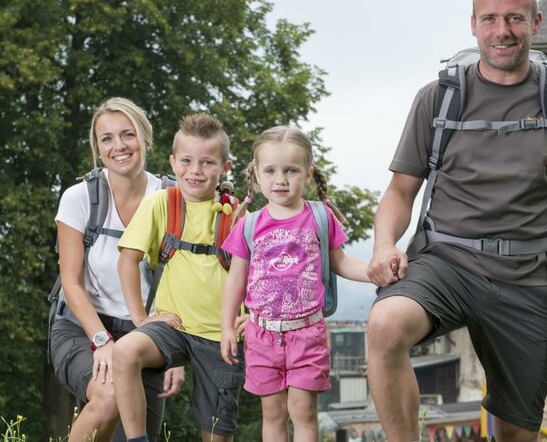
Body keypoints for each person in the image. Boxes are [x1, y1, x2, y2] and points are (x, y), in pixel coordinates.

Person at [366, 0, 547, 441]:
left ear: (536, 22)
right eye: (491, 19)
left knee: (515, 435)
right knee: (384, 324)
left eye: (515, 18)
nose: (503, 31)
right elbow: (400, 191)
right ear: (474, 24)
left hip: (525, 276)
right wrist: (383, 245)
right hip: (447, 263)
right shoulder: (439, 99)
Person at [218, 126, 372, 442]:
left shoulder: (320, 216)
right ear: (256, 175)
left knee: (303, 413)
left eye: (291, 170)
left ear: (307, 173)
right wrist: (225, 329)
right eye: (271, 171)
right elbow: (236, 280)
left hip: (308, 332)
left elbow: (341, 262)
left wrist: (375, 272)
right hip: (261, 334)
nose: (281, 179)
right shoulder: (249, 224)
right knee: (273, 415)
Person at [50, 97, 183, 442]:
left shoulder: (174, 199)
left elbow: (186, 282)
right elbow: (71, 283)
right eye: (107, 139)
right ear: (97, 148)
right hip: (82, 328)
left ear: (145, 138)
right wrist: (102, 342)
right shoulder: (79, 198)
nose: (119, 146)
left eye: (128, 135)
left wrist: (178, 353)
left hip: (146, 340)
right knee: (108, 400)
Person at [112, 113, 244, 442]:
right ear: (173, 163)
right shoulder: (161, 204)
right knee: (125, 352)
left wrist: (251, 317)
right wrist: (141, 318)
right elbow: (128, 260)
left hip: (222, 336)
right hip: (174, 328)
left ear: (225, 168)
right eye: (186, 160)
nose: (195, 171)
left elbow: (256, 276)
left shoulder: (239, 215)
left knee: (215, 434)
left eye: (207, 162)